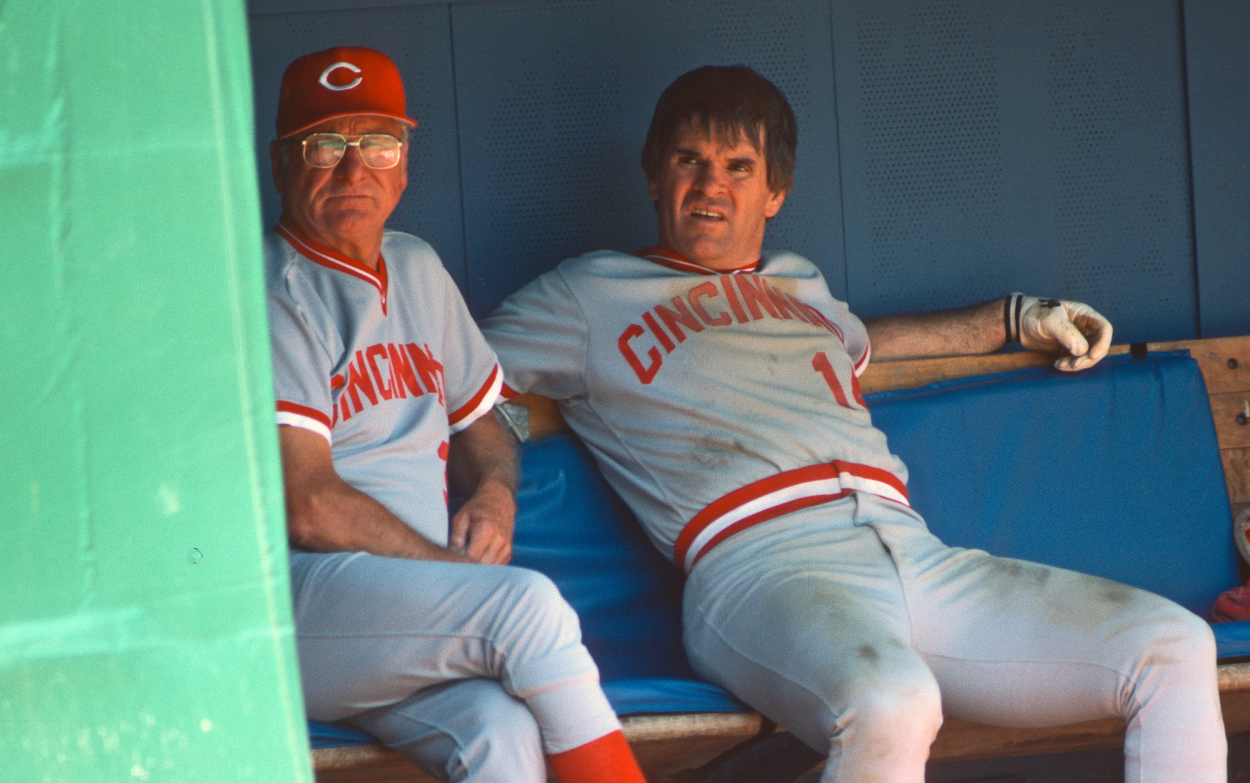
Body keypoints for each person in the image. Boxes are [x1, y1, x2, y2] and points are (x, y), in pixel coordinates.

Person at [480, 65, 1226, 782]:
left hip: (911, 549)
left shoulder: (799, 285)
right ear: (654, 177)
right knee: (893, 700)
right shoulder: (587, 295)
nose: (711, 185)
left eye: (739, 166)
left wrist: (1014, 318)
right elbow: (460, 386)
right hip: (760, 568)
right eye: (688, 160)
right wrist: (514, 454)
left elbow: (870, 340)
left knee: (1173, 646)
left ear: (776, 192)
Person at [264, 46, 646, 783]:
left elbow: (487, 416)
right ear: (282, 164)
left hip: (402, 616)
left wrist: (496, 492)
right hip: (303, 604)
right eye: (325, 146)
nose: (353, 170)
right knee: (525, 607)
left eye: (376, 144)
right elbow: (306, 505)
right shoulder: (272, 288)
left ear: (404, 164)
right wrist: (455, 576)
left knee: (500, 733)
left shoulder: (416, 267)